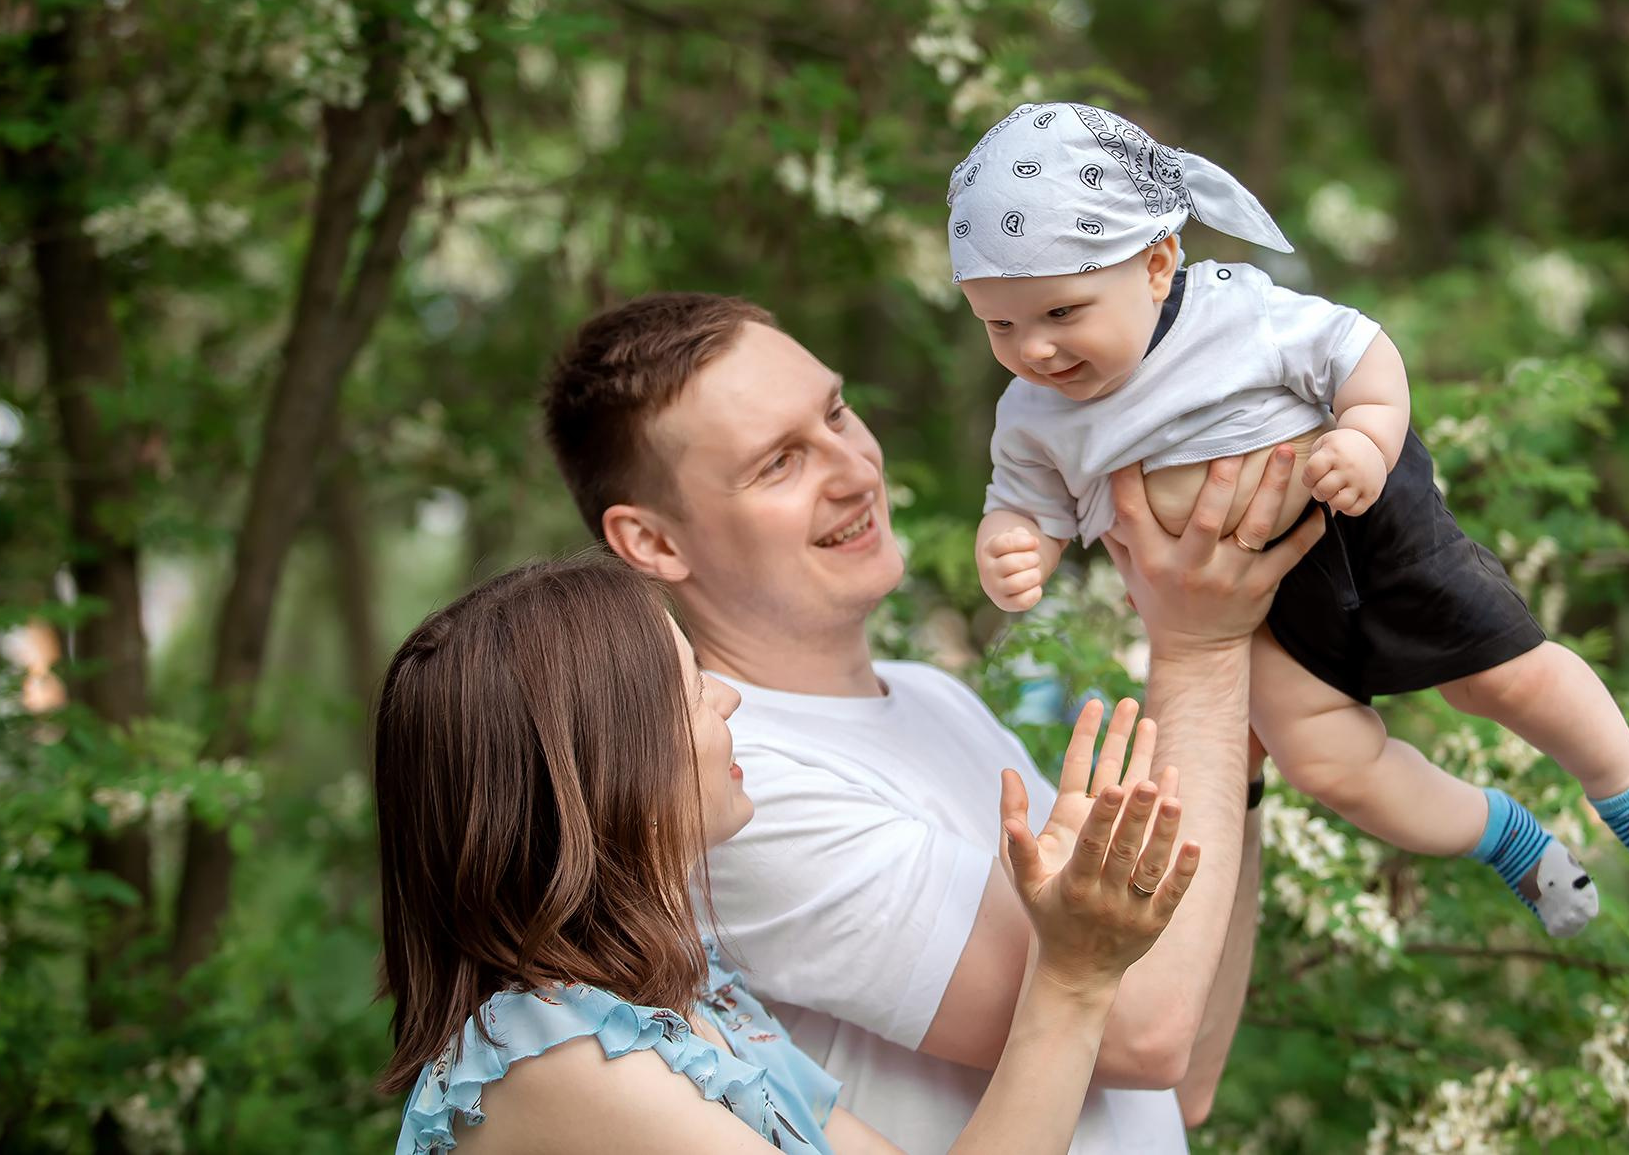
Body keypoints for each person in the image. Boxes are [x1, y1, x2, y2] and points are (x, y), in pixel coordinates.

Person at [542, 294, 1317, 1151]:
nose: (854, 469)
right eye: (779, 463)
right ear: (653, 543)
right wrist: (1201, 650)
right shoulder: (732, 787)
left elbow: (1188, 1066)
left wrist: (1232, 750)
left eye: (836, 412)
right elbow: (1141, 1026)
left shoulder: (933, 698)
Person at [949, 100, 1629, 938]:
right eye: (1001, 324)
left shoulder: (1234, 311)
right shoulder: (1032, 414)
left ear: (1157, 262)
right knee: (1327, 763)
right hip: (1244, 616)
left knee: (1499, 675)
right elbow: (1024, 504)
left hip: (1358, 521)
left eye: (1062, 313)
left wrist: (1365, 434)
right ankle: (1505, 837)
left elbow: (1360, 352)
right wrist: (1013, 546)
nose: (1033, 349)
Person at [376, 554, 1200, 1153]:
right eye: (692, 685)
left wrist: (1074, 962)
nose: (728, 697)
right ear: (602, 763)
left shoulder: (699, 1001)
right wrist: (1072, 975)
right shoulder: (559, 1054)